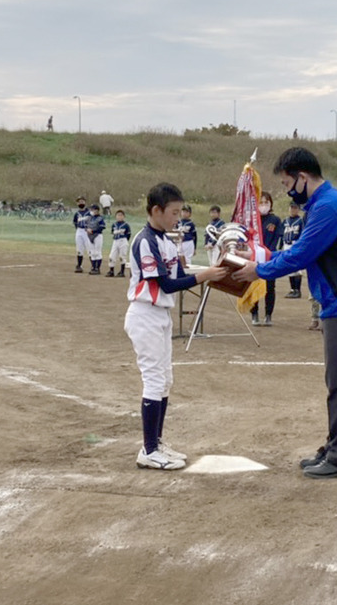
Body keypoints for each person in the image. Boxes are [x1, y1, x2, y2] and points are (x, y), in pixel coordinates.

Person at [231, 147, 337, 479]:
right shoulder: (325, 203)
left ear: (303, 177)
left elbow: (300, 256)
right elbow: (301, 252)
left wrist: (259, 269)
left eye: (286, 183)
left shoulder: (326, 207)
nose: (286, 191)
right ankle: (335, 445)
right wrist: (261, 256)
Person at [125, 182, 228, 470]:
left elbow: (181, 273)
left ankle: (156, 443)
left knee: (165, 379)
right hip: (144, 313)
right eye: (172, 212)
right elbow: (166, 283)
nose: (177, 218)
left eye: (180, 212)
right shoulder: (145, 240)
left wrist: (217, 270)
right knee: (154, 380)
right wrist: (205, 275)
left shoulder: (167, 241)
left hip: (160, 316)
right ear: (155, 210)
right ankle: (148, 450)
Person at [251, 192, 283, 326]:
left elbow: (277, 237)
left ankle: (268, 314)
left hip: (270, 257)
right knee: (254, 285)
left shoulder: (275, 220)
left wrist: (267, 252)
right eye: (261, 202)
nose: (263, 205)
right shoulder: (252, 219)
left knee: (270, 287)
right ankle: (254, 313)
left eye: (266, 202)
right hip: (254, 257)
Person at [282, 201, 305, 298]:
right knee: (289, 268)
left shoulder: (300, 221)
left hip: (295, 244)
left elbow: (303, 234)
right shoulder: (286, 221)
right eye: (291, 207)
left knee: (297, 269)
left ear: (298, 209)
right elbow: (281, 234)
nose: (293, 210)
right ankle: (292, 289)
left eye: (295, 208)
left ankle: (297, 290)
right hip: (286, 244)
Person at [106, 210, 132, 277]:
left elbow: (128, 234)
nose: (119, 217)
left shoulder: (126, 225)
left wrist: (125, 241)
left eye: (121, 215)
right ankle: (111, 271)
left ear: (124, 217)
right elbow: (112, 232)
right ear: (115, 217)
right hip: (115, 241)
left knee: (122, 256)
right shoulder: (114, 225)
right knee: (112, 256)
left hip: (123, 240)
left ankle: (122, 272)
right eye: (118, 215)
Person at [72, 197, 92, 273]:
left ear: (85, 202)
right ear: (77, 203)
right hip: (79, 230)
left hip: (87, 230)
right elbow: (75, 223)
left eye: (82, 201)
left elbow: (92, 221)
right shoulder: (77, 214)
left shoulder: (89, 213)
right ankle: (79, 265)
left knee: (89, 248)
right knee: (79, 248)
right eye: (79, 202)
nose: (81, 203)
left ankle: (93, 266)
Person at [85, 205, 106, 275]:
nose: (94, 211)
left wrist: (93, 231)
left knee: (97, 252)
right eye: (93, 210)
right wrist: (87, 230)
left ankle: (97, 268)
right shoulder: (89, 218)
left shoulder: (100, 218)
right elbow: (85, 226)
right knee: (92, 252)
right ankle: (93, 267)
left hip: (97, 235)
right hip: (90, 236)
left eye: (95, 210)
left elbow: (102, 227)